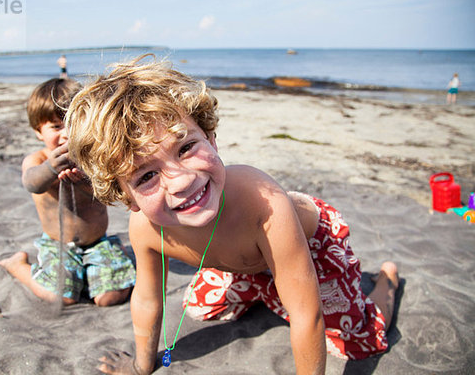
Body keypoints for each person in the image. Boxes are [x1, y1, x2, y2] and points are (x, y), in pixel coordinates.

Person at [64, 57, 399, 374]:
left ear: (210, 137)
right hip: (247, 262)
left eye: (186, 148)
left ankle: (387, 281)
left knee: (360, 341)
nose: (181, 180)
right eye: (146, 176)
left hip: (313, 244)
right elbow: (148, 299)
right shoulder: (146, 229)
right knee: (199, 307)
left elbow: (307, 315)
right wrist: (141, 366)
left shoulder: (261, 204)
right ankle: (268, 289)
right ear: (126, 197)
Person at [0, 78, 136, 306]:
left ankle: (106, 262)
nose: (66, 135)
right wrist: (50, 169)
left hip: (96, 242)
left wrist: (84, 181)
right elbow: (32, 183)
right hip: (58, 242)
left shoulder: (92, 160)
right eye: (56, 126)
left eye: (73, 124)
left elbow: (109, 192)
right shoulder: (38, 160)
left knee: (109, 298)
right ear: (38, 132)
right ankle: (17, 266)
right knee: (61, 296)